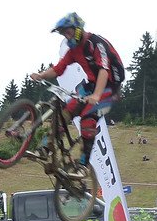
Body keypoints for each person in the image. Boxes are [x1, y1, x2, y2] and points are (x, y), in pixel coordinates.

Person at [30, 12, 124, 166]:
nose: (66, 37)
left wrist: (96, 95)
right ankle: (45, 148)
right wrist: (41, 75)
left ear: (78, 28)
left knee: (87, 120)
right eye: (63, 34)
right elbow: (58, 69)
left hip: (110, 89)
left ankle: (83, 164)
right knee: (65, 112)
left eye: (68, 32)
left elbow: (104, 70)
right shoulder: (74, 50)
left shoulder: (96, 43)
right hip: (91, 85)